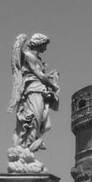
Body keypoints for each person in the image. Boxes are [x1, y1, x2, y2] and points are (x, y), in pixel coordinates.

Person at [8, 33, 60, 169]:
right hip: (32, 92)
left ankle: (27, 152)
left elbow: (40, 75)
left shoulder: (36, 58)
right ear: (39, 43)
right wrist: (52, 84)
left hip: (39, 92)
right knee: (32, 120)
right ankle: (24, 152)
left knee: (40, 121)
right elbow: (39, 75)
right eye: (45, 45)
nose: (46, 49)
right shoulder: (30, 57)